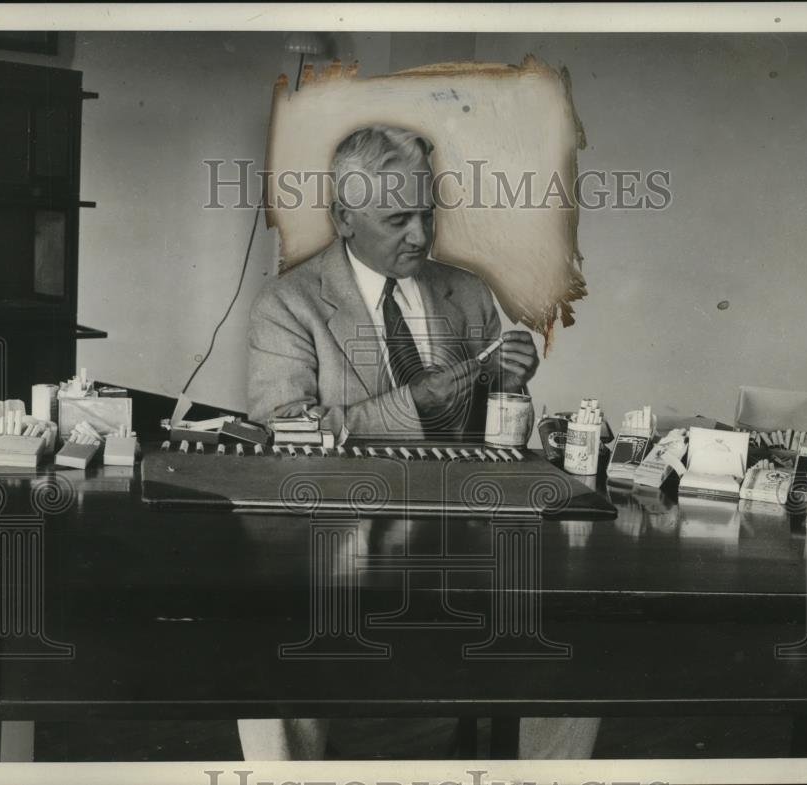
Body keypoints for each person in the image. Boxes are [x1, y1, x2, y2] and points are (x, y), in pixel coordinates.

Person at [241, 124, 599, 759]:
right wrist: (416, 404)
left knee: (577, 626)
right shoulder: (287, 305)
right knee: (275, 639)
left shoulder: (467, 293)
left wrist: (509, 391)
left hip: (462, 537)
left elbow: (497, 443)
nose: (421, 236)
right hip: (336, 538)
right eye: (398, 218)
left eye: (428, 215)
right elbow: (284, 438)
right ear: (344, 218)